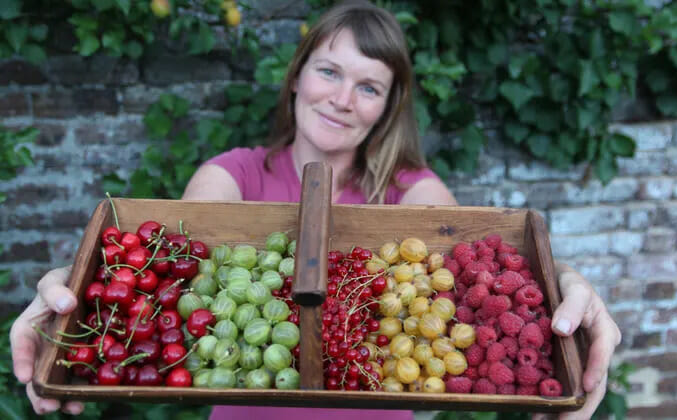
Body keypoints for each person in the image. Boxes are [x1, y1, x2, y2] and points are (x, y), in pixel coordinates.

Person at [10, 1, 621, 419]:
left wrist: (567, 283)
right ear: (297, 76)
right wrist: (82, 295)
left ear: (387, 108)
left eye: (369, 86)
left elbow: (482, 269)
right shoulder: (231, 174)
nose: (341, 99)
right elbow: (165, 272)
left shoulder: (413, 193)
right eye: (329, 71)